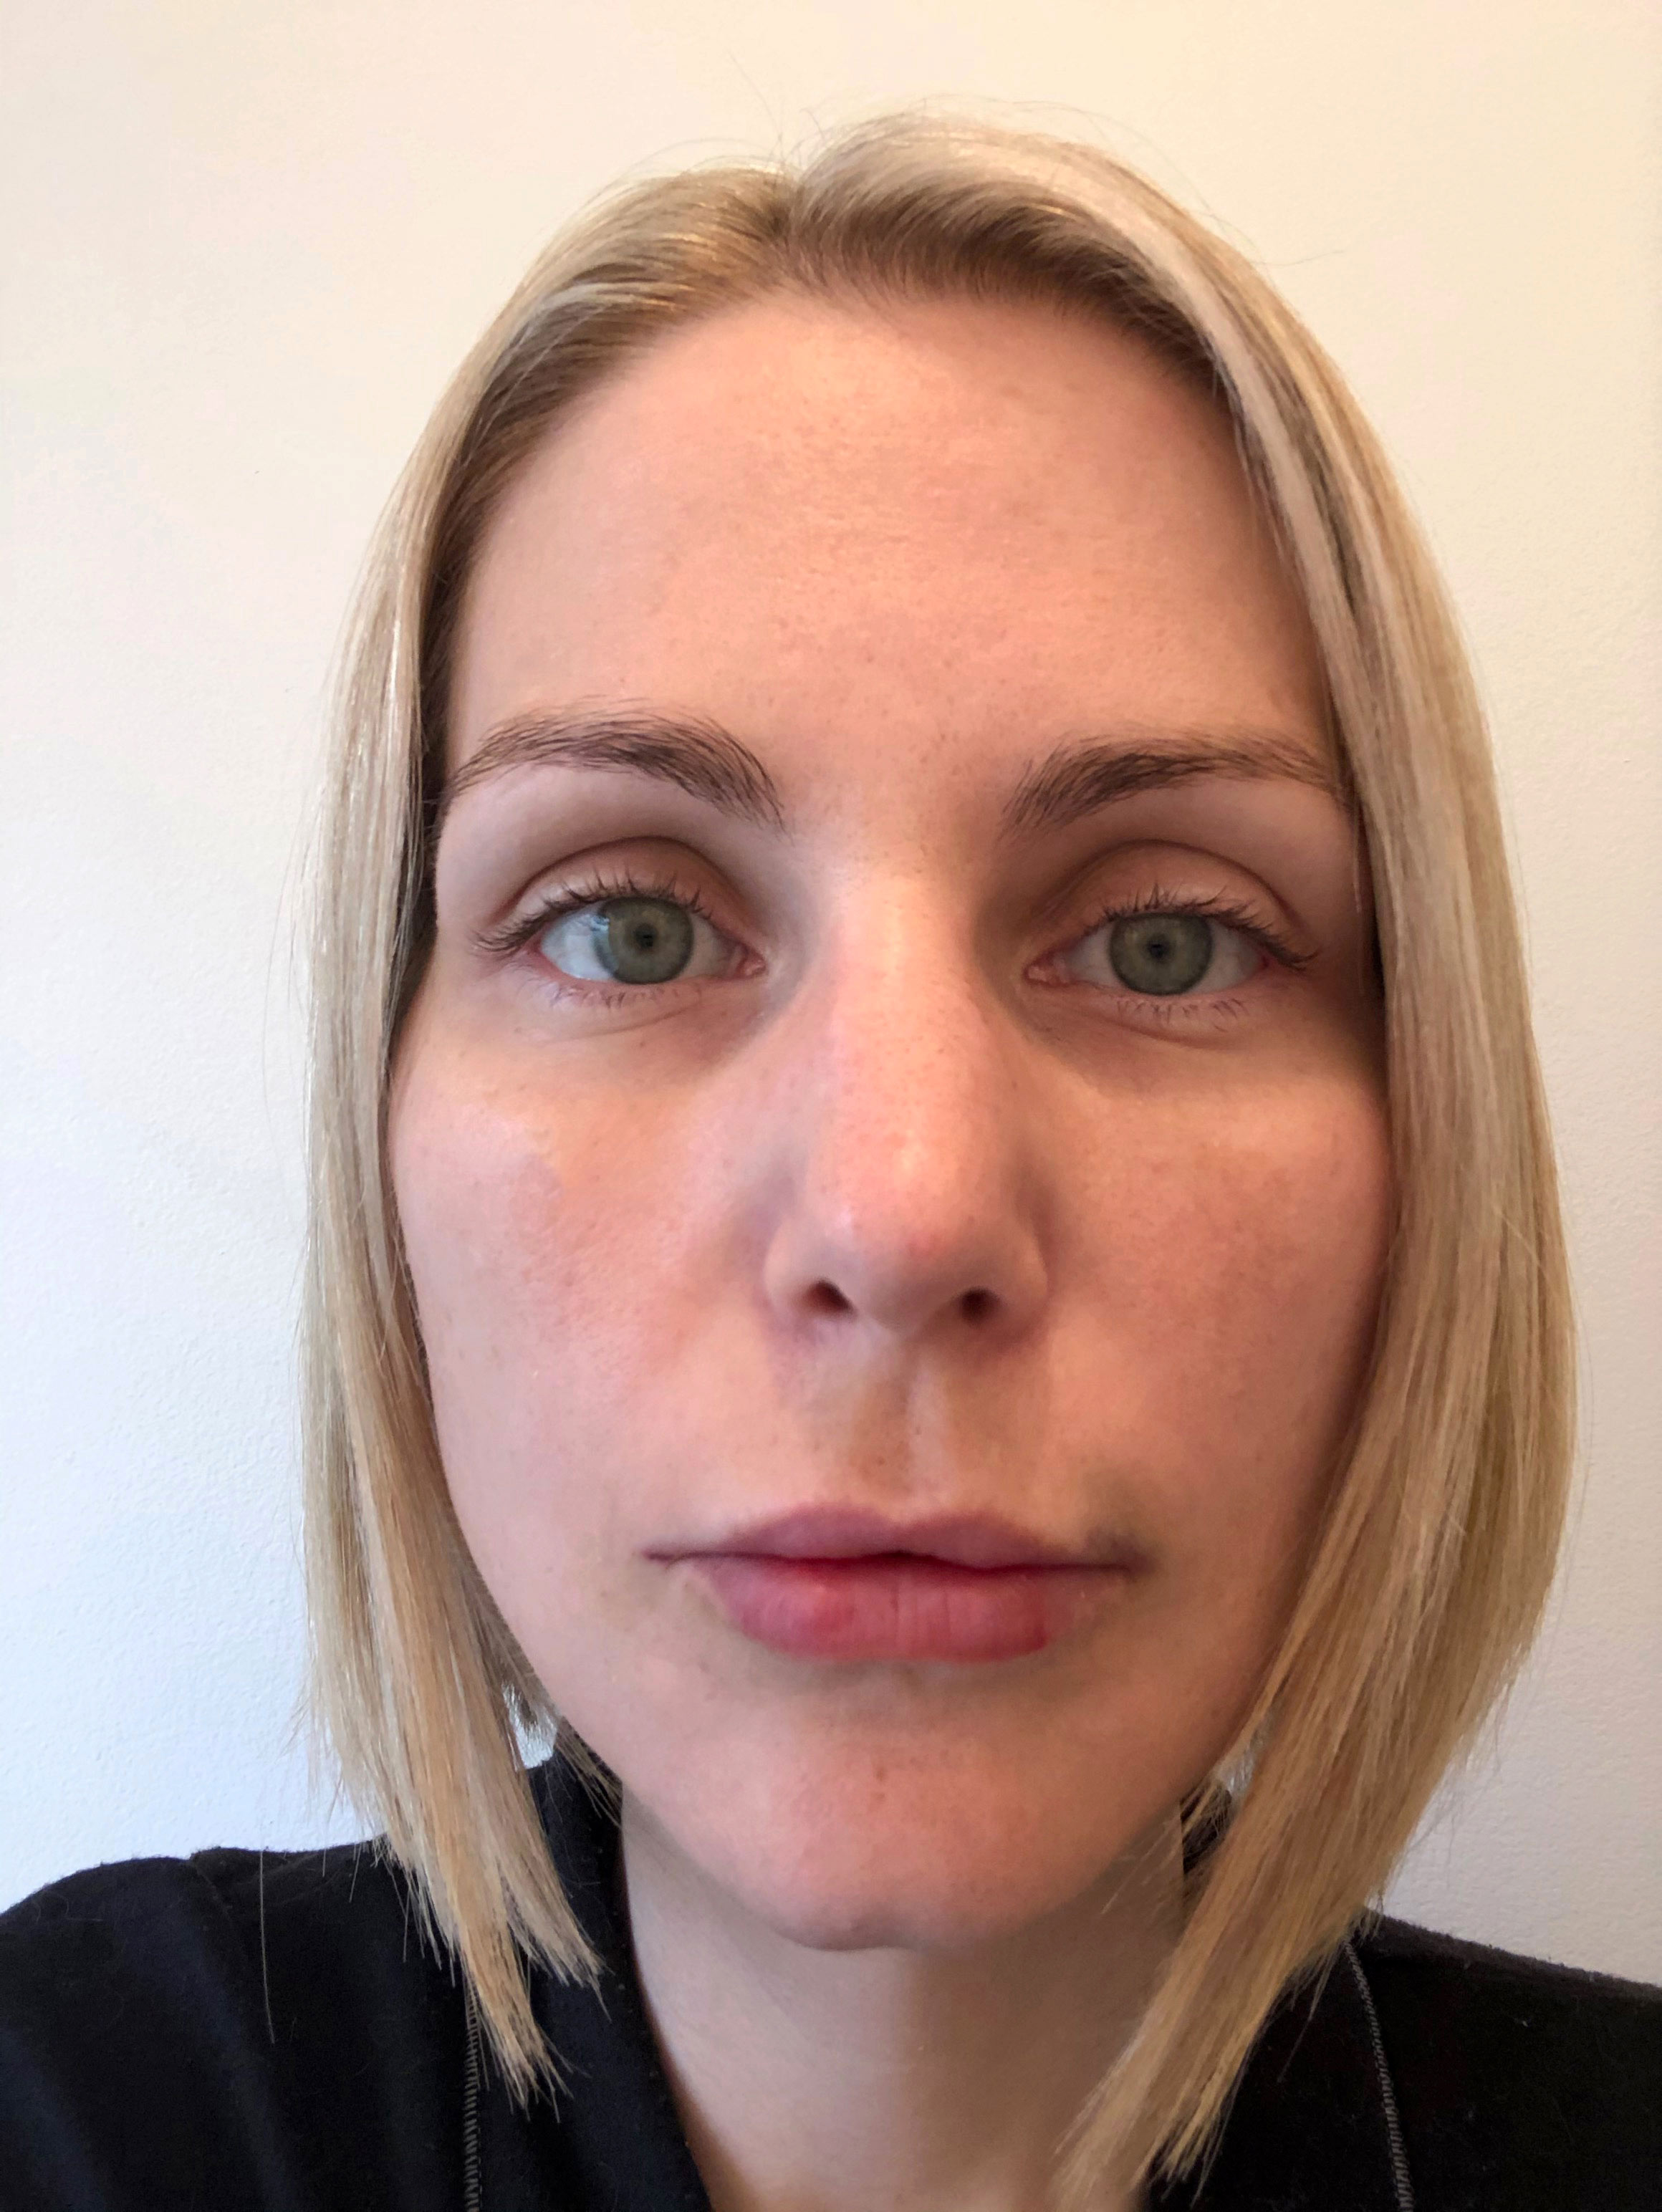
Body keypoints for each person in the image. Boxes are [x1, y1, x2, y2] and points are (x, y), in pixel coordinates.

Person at [1, 112, 1656, 2212]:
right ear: (382, 1115)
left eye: (1166, 941)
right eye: (632, 928)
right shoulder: (83, 2115)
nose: (901, 1210)